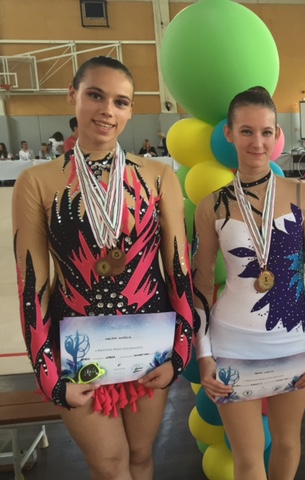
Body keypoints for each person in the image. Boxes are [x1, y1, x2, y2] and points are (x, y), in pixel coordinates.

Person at [11, 55, 195, 480]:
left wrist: (180, 352)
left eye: (121, 102)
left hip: (148, 349)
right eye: (95, 95)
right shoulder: (37, 182)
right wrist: (48, 374)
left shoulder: (158, 176)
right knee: (109, 465)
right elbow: (31, 286)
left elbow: (179, 270)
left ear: (130, 110)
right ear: (72, 95)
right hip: (77, 351)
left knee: (141, 457)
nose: (107, 110)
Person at [193, 86, 305, 480]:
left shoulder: (304, 194)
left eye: (267, 132)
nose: (258, 142)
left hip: (293, 339)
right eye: (247, 131)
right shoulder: (211, 205)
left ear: (277, 135)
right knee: (248, 458)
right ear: (229, 134)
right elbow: (201, 283)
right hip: (232, 343)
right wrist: (204, 354)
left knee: (287, 443)